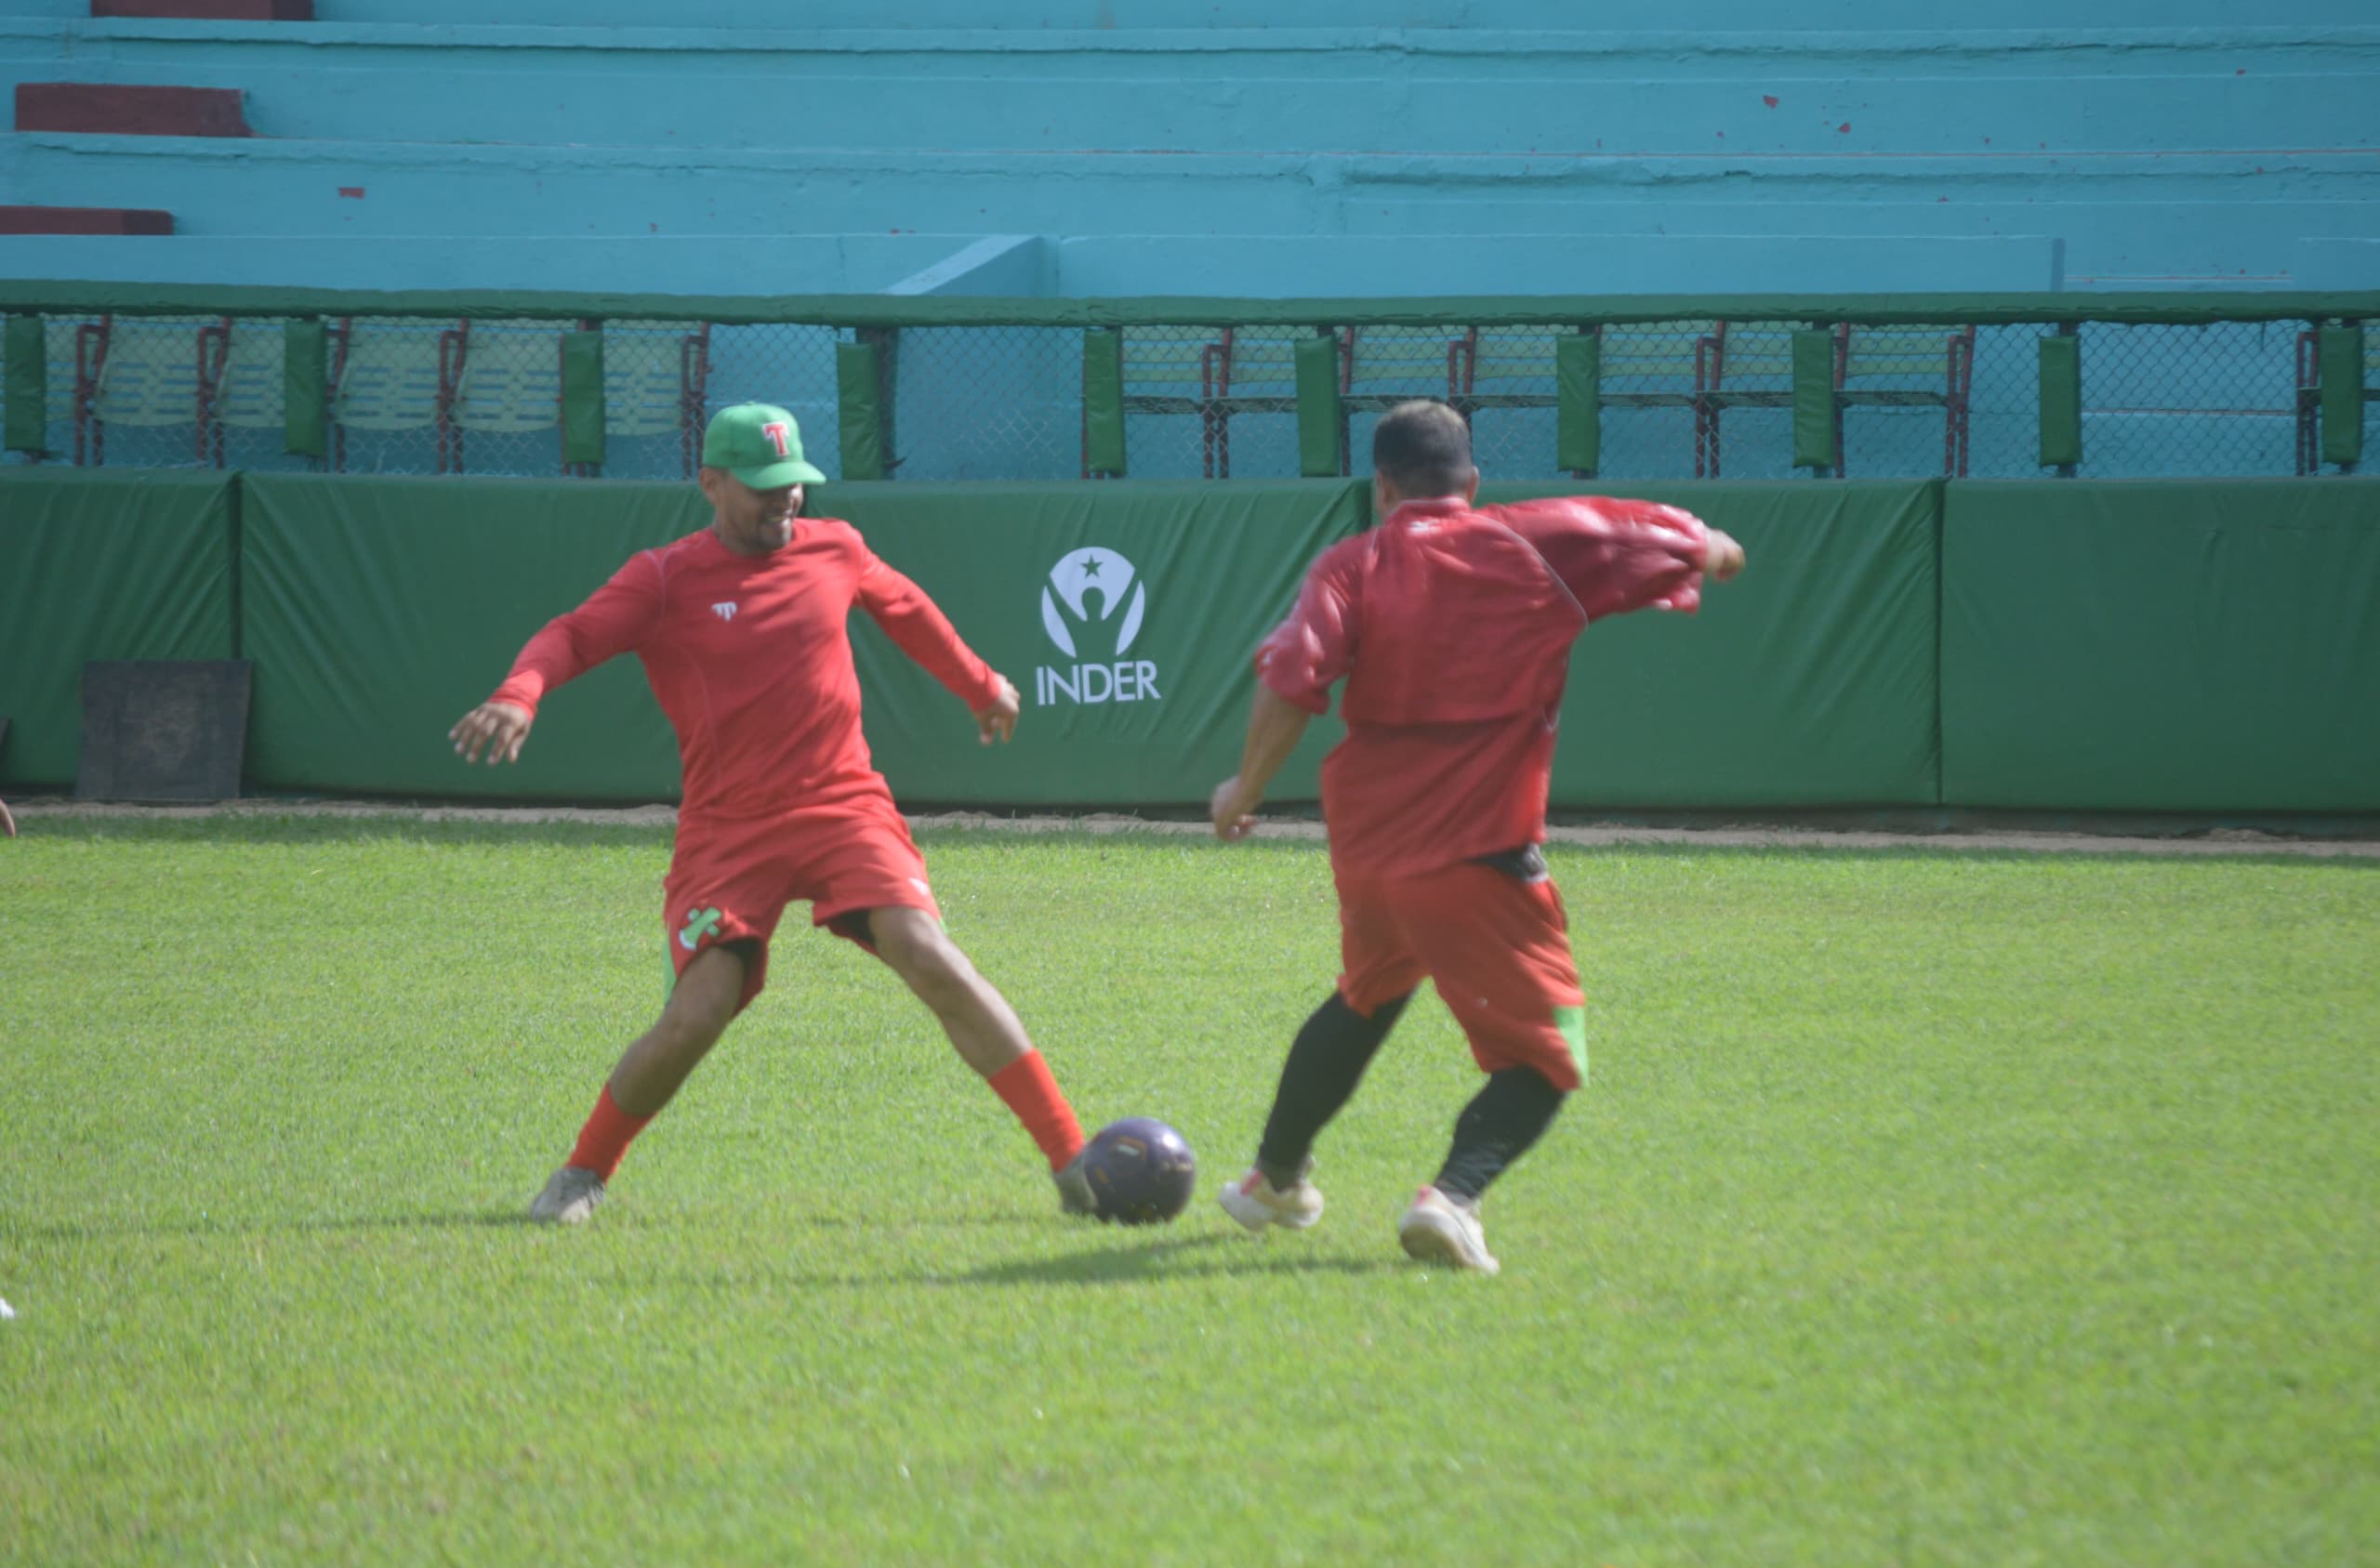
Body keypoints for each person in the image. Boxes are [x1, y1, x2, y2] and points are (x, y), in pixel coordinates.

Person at [450, 402, 1096, 1224]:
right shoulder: (663, 579)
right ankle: (583, 1172)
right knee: (698, 1012)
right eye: (763, 489)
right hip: (728, 831)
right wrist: (519, 694)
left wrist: (978, 683)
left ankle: (1076, 1160)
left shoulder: (837, 547)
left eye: (794, 484)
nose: (785, 501)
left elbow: (906, 609)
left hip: (842, 805)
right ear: (710, 485)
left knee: (930, 954)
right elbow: (571, 637)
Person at [1207, 400, 1746, 1274]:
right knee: (1551, 1051)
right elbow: (1693, 543)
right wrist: (1714, 549)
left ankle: (1273, 1180)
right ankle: (1451, 1200)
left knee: (1366, 995)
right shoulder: (1544, 539)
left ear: (1381, 487)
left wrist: (1244, 790)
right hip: (1476, 855)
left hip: (1369, 854)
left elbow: (1292, 675)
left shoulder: (1349, 564)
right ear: (1474, 481)